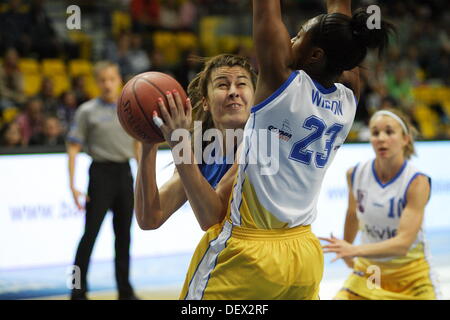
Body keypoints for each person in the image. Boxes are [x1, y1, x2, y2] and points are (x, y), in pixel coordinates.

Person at [152, 0, 394, 299]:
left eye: (299, 36)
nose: (291, 39)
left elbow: (268, 9)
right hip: (303, 252)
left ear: (315, 54)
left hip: (250, 253)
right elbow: (341, 27)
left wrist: (177, 139)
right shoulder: (349, 98)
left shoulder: (281, 84)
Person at [321, 109, 442, 300]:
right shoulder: (355, 173)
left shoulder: (417, 182)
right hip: (372, 271)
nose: (381, 138)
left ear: (405, 139)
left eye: (389, 132)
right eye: (375, 133)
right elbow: (352, 214)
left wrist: (353, 250)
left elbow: (402, 244)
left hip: (411, 275)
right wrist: (346, 248)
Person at [135, 53, 256, 230]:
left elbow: (212, 219)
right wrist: (148, 144)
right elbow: (150, 218)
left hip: (273, 254)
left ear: (255, 97)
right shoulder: (201, 150)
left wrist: (180, 144)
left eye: (242, 84)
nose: (233, 92)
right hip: (237, 253)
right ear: (205, 102)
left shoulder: (259, 142)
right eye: (222, 85)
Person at [66, 61, 140, 300]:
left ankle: (124, 291)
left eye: (112, 79)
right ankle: (77, 290)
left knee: (124, 236)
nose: (107, 84)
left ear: (119, 80)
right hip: (100, 174)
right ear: (97, 82)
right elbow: (73, 147)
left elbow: (138, 144)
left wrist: (143, 178)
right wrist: (72, 184)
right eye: (103, 80)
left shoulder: (129, 108)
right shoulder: (87, 111)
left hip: (124, 173)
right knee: (89, 235)